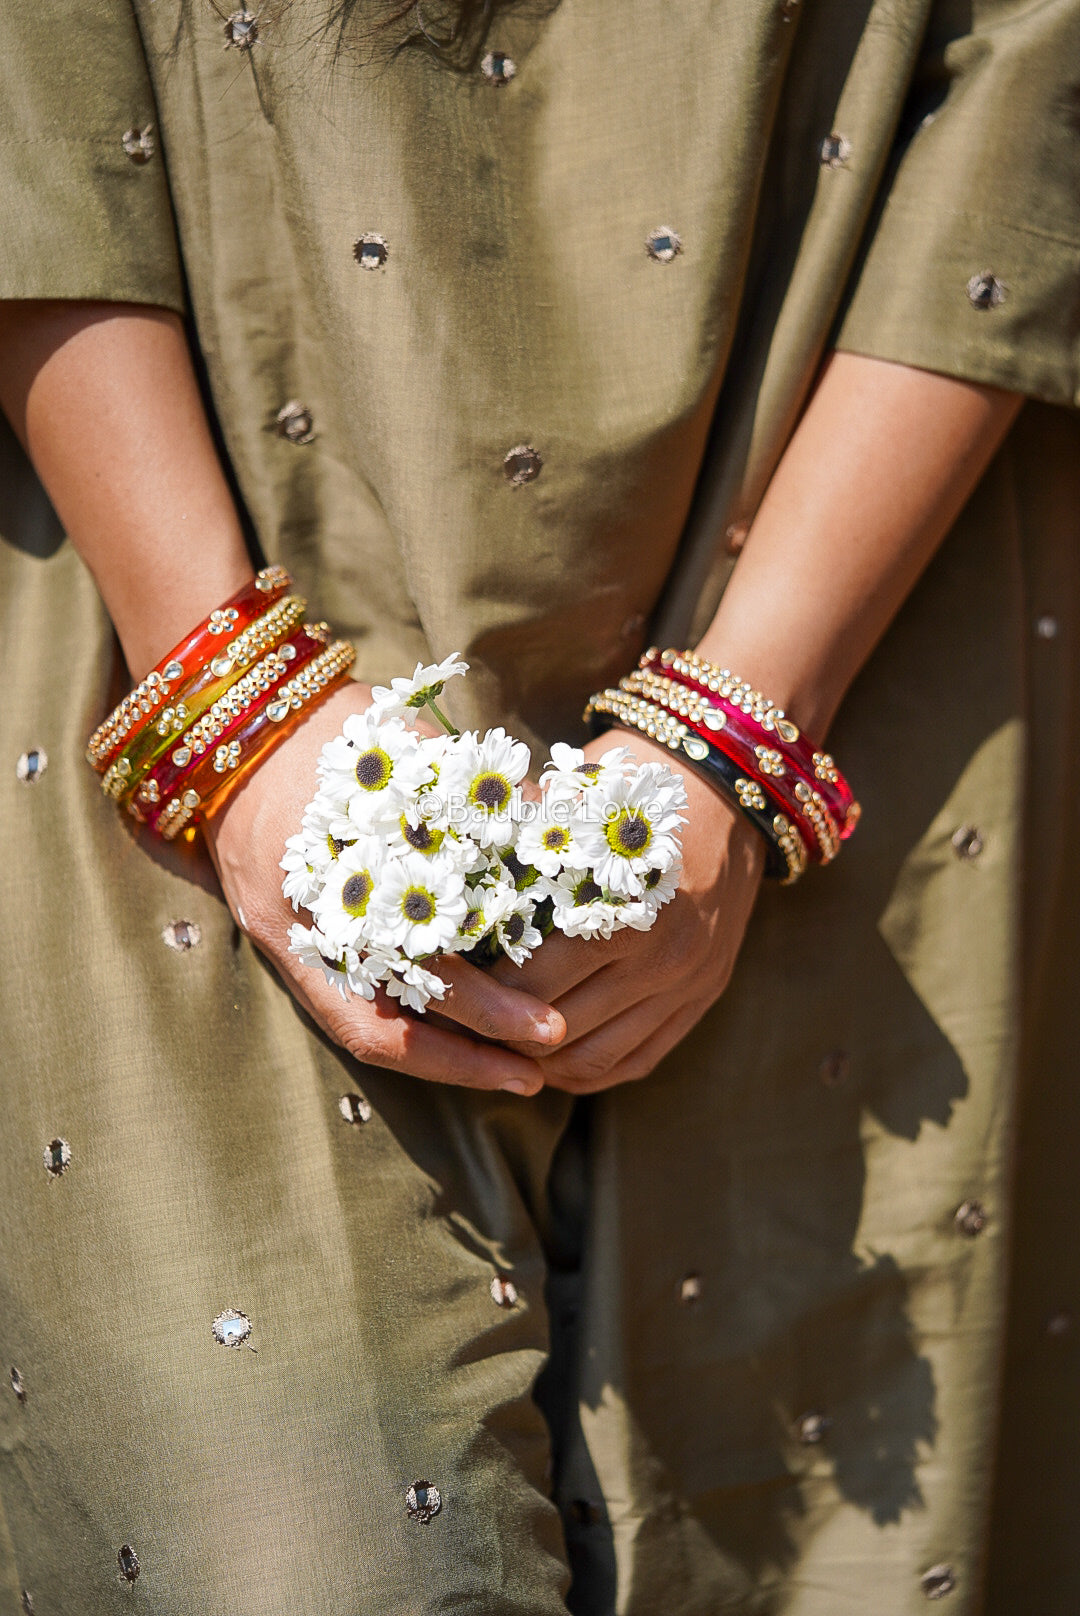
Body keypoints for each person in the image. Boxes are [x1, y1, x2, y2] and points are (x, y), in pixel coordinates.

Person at [0, 1, 1077, 1611]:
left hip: (846, 508)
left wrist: (746, 728)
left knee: (785, 1510)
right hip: (169, 502)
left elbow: (1032, 68)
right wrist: (231, 711)